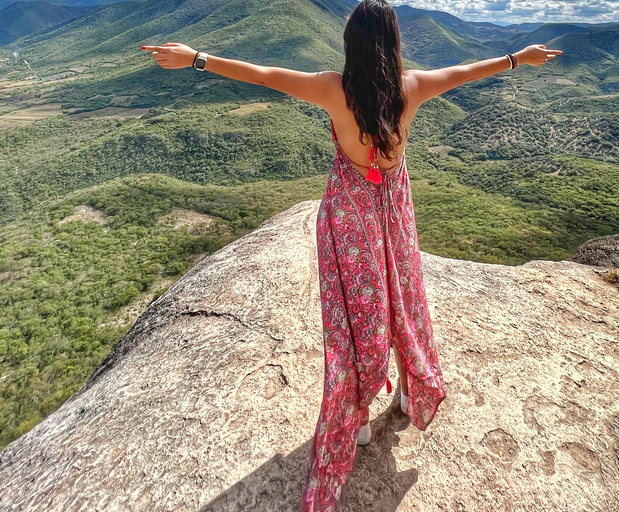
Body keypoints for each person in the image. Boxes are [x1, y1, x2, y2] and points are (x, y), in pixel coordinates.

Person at [142, 1, 561, 510]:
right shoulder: (413, 87)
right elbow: (468, 70)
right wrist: (520, 57)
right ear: (393, 43)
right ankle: (411, 390)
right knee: (403, 298)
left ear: (350, 45)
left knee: (355, 318)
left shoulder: (332, 88)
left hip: (348, 215)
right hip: (394, 215)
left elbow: (266, 75)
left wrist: (197, 59)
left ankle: (356, 417)